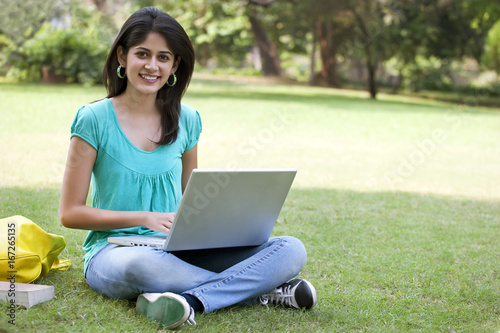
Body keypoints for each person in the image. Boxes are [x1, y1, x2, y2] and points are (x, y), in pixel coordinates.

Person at [59, 6, 316, 330]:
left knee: (291, 249)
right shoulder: (93, 119)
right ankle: (264, 291)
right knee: (145, 267)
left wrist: (220, 224)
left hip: (177, 248)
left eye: (163, 57)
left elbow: (190, 201)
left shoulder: (187, 120)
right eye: (143, 54)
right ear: (122, 57)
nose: (152, 66)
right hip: (115, 253)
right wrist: (144, 218)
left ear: (175, 65)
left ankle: (191, 301)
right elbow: (70, 212)